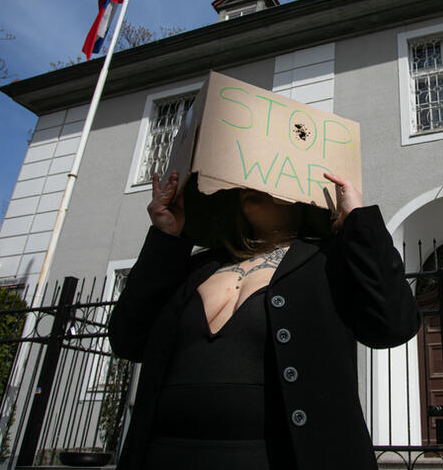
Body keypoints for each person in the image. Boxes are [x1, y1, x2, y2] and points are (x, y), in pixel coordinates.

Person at [108, 170, 421, 470]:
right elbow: (127, 339)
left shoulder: (329, 260)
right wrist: (166, 237)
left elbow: (394, 325)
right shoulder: (196, 267)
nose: (253, 184)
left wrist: (358, 220)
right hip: (166, 457)